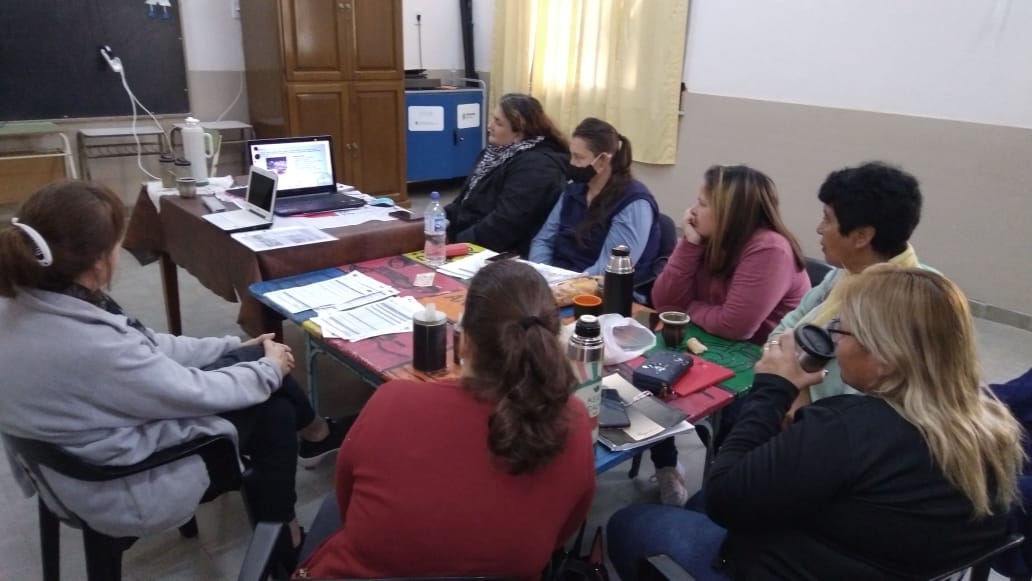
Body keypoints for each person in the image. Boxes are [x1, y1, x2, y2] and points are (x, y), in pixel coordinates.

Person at [0, 181, 346, 570]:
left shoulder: (31, 302)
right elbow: (189, 392)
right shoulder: (91, 344)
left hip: (70, 454)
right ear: (98, 261)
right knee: (274, 412)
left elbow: (148, 349)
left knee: (256, 364)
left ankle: (316, 434)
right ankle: (285, 541)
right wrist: (267, 370)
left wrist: (233, 348)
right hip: (117, 480)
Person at [608, 266, 1025, 580]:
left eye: (842, 330)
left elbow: (723, 497)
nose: (834, 340)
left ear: (886, 358)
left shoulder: (849, 428)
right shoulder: (992, 428)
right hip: (874, 555)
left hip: (783, 563)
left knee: (631, 523)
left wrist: (772, 390)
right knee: (696, 505)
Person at [297, 260, 596, 578]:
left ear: (464, 342)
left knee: (333, 510)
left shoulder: (393, 402)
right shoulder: (574, 423)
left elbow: (346, 498)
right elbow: (560, 533)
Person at [647, 164, 810, 505]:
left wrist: (689, 307)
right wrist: (689, 244)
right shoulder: (710, 239)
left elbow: (736, 326)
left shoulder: (769, 248)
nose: (692, 210)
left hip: (760, 363)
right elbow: (663, 302)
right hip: (711, 347)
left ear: (729, 213)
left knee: (732, 420)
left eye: (703, 203)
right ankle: (666, 466)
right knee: (647, 382)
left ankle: (721, 493)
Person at [772, 161, 931, 409]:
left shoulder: (911, 302)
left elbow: (866, 398)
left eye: (827, 219)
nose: (819, 229)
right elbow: (788, 326)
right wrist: (783, 374)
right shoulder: (847, 272)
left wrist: (795, 390)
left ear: (861, 237)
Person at [528, 117, 660, 280]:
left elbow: (608, 269)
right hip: (558, 281)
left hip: (601, 289)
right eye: (571, 156)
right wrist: (542, 273)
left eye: (579, 158)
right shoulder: (573, 190)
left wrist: (565, 284)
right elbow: (543, 240)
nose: (572, 163)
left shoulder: (633, 203)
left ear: (603, 160)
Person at [445, 93, 569, 255]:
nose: (489, 126)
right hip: (471, 238)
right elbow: (464, 201)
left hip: (501, 252)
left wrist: (459, 244)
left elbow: (505, 224)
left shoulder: (537, 167)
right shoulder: (493, 153)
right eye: (492, 118)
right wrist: (438, 219)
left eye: (498, 123)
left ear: (519, 134)